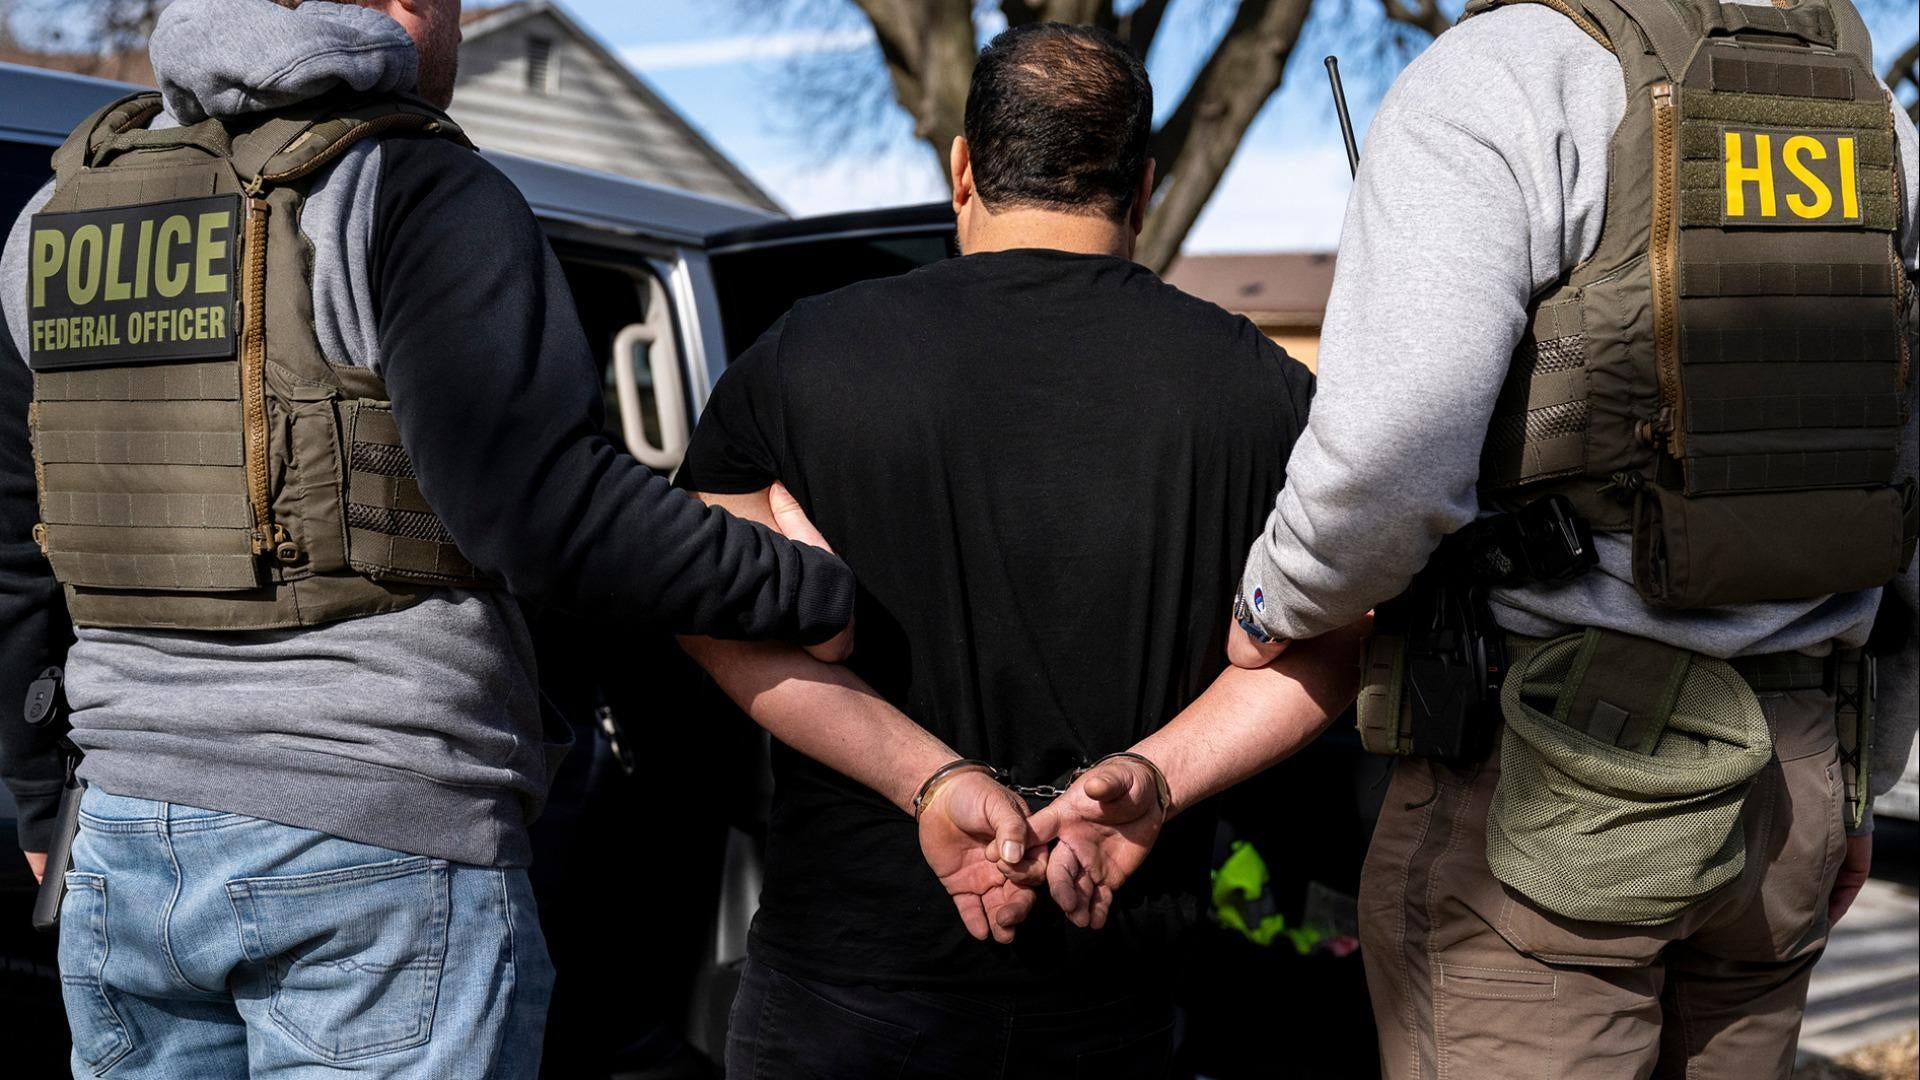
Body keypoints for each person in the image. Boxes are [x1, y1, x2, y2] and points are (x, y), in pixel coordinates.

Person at [0, 1, 855, 1076]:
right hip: (372, 839)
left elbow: (18, 548)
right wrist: (812, 589)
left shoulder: (59, 214)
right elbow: (545, 513)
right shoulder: (412, 184)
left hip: (122, 844)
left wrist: (42, 800)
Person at [1226, 0, 1918, 1076]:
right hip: (1794, 783)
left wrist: (1275, 602)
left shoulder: (1506, 75)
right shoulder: (1874, 119)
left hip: (1552, 782)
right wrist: (1862, 776)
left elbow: (1389, 463)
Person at [672, 23, 1365, 1079]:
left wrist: (925, 778)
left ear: (964, 169)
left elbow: (700, 600)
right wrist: (1155, 777)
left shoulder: (804, 354)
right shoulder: (1260, 389)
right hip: (1118, 972)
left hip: (850, 975)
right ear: (1143, 188)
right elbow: (1338, 635)